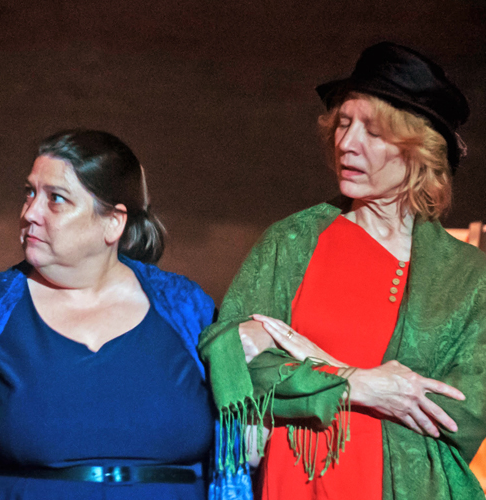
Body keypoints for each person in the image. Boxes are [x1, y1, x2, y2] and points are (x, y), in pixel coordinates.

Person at [199, 42, 486, 500]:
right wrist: (357, 382)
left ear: (419, 151)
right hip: (299, 483)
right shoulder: (292, 242)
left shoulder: (469, 276)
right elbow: (233, 360)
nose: (346, 143)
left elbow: (465, 412)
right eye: (344, 124)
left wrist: (309, 362)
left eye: (372, 132)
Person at [0, 129, 250, 500]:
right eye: (29, 192)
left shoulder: (184, 308)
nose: (30, 213)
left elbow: (241, 405)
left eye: (55, 199)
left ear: (113, 223)